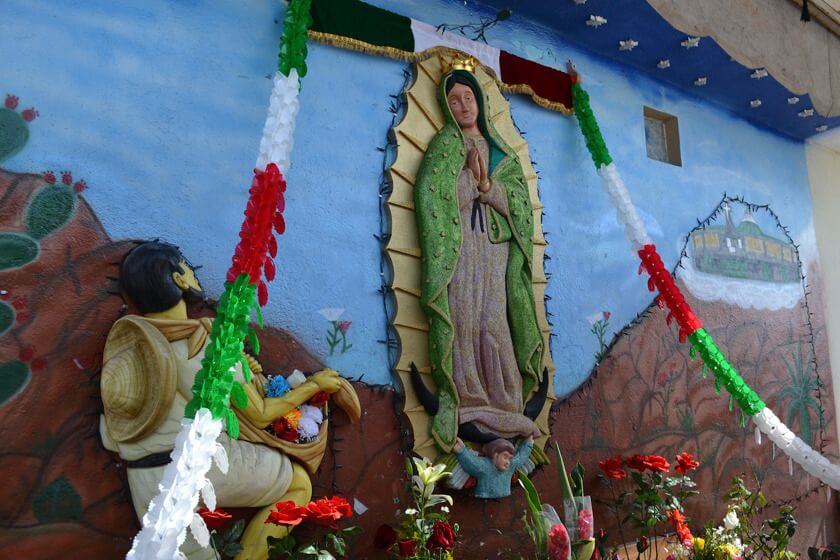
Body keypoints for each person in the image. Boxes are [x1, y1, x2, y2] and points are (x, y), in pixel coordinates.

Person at [100, 241, 356, 560]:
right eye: (188, 269)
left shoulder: (136, 345)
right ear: (179, 278)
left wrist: (242, 372)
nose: (194, 276)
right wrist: (315, 384)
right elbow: (261, 414)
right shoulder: (206, 344)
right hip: (192, 468)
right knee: (298, 484)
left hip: (144, 482)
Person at [414, 56, 544, 452]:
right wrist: (470, 181)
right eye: (454, 100)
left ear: (480, 103)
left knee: (495, 319)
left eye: (468, 97)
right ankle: (468, 396)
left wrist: (490, 186)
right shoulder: (443, 148)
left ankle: (505, 399)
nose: (464, 106)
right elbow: (430, 198)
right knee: (465, 316)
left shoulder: (501, 152)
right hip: (460, 250)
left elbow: (520, 205)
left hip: (494, 247)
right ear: (445, 107)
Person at [452, 436, 534, 499]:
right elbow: (471, 462)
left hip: (505, 492)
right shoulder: (485, 466)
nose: (508, 462)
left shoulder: (510, 466)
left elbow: (521, 457)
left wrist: (528, 444)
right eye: (505, 457)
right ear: (495, 455)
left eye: (510, 458)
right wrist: (461, 451)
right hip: (484, 493)